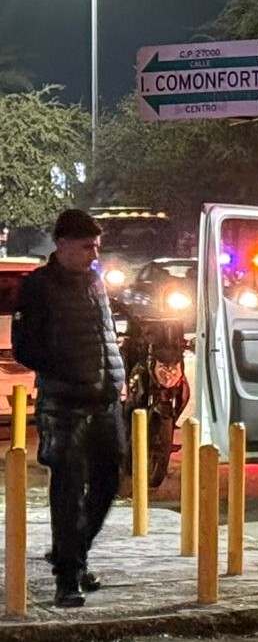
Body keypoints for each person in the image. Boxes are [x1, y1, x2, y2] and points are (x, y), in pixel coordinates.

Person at [12, 209, 126, 608]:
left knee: (110, 482)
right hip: (64, 404)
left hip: (105, 400)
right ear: (61, 244)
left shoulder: (95, 282)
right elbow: (25, 346)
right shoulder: (39, 287)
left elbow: (105, 335)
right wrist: (66, 368)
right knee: (69, 489)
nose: (93, 254)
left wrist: (117, 379)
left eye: (96, 246)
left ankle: (73, 554)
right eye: (85, 246)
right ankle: (67, 577)